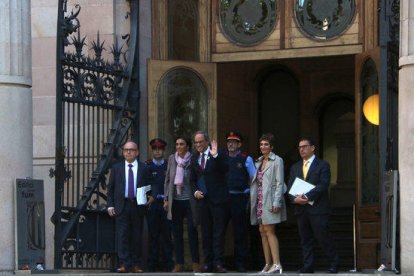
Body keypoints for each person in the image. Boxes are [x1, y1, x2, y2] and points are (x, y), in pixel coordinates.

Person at [287, 137, 339, 274]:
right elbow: (290, 187)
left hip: (318, 209)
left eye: (304, 146)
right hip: (301, 210)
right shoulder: (295, 167)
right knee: (305, 239)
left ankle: (334, 263)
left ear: (313, 148)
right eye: (299, 147)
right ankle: (308, 265)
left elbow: (323, 185)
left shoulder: (323, 165)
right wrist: (294, 199)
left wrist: (307, 196)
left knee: (323, 237)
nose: (301, 149)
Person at [191, 131, 229, 273]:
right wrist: (195, 191)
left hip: (218, 200)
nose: (198, 144)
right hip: (203, 202)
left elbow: (226, 168)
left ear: (207, 142)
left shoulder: (218, 153)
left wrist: (215, 156)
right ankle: (207, 263)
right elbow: (192, 180)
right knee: (206, 233)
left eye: (201, 141)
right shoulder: (194, 158)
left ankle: (218, 263)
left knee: (218, 233)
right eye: (196, 142)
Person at [107, 140, 145, 273]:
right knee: (122, 235)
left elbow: (149, 187)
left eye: (131, 150)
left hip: (137, 205)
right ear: (123, 153)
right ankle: (123, 263)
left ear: (137, 152)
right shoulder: (116, 168)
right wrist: (110, 205)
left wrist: (150, 196)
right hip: (121, 206)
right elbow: (110, 189)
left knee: (136, 235)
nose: (128, 152)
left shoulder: (143, 167)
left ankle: (135, 264)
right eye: (126, 150)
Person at [250, 133, 286, 274]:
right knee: (262, 231)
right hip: (259, 199)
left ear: (271, 147)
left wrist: (277, 202)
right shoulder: (258, 161)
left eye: (266, 144)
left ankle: (277, 264)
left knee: (270, 231)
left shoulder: (278, 160)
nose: (263, 147)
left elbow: (279, 182)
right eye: (261, 144)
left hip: (270, 200)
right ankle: (267, 263)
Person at [164, 136, 201, 273]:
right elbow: (168, 179)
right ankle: (179, 263)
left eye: (181, 144)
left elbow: (198, 178)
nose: (178, 147)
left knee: (192, 231)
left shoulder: (193, 159)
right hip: (176, 201)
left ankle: (195, 262)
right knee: (177, 233)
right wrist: (166, 198)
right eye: (177, 144)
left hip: (190, 201)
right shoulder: (172, 159)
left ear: (187, 146)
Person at [224, 131, 256, 272]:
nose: (230, 144)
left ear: (239, 144)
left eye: (234, 142)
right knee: (220, 231)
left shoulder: (246, 159)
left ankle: (240, 262)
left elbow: (254, 178)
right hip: (223, 199)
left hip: (239, 198)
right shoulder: (222, 158)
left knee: (240, 232)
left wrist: (248, 192)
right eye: (229, 141)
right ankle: (218, 262)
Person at [142, 138, 174, 272]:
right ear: (152, 151)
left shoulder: (169, 165)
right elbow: (143, 184)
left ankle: (168, 264)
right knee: (153, 236)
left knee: (167, 236)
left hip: (167, 205)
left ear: (163, 150)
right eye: (155, 149)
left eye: (159, 149)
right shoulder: (147, 166)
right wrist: (148, 196)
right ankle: (152, 264)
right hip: (153, 206)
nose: (157, 151)